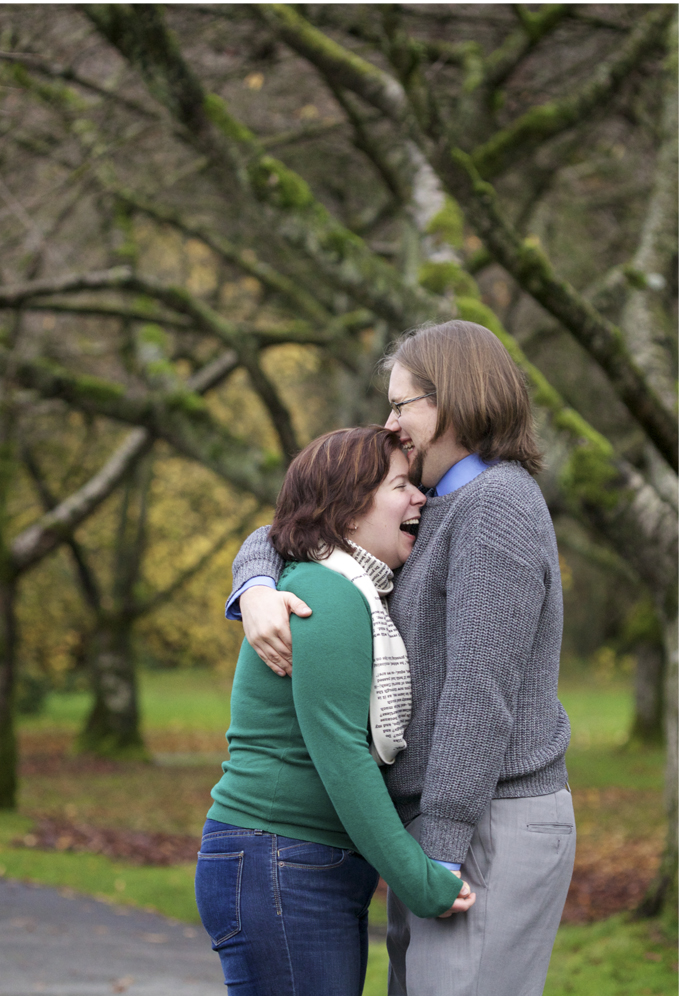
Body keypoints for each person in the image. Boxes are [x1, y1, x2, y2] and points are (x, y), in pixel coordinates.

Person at [227, 321, 575, 996]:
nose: (389, 424)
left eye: (400, 404)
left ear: (450, 401)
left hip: (487, 822)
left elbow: (481, 696)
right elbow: (302, 520)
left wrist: (437, 851)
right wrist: (257, 584)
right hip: (440, 824)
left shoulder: (495, 506)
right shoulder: (431, 503)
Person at [196, 425, 474, 997]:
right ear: (348, 512)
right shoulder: (328, 595)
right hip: (278, 860)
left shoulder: (346, 585)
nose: (421, 497)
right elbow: (343, 758)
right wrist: (423, 883)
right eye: (401, 485)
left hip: (288, 862)